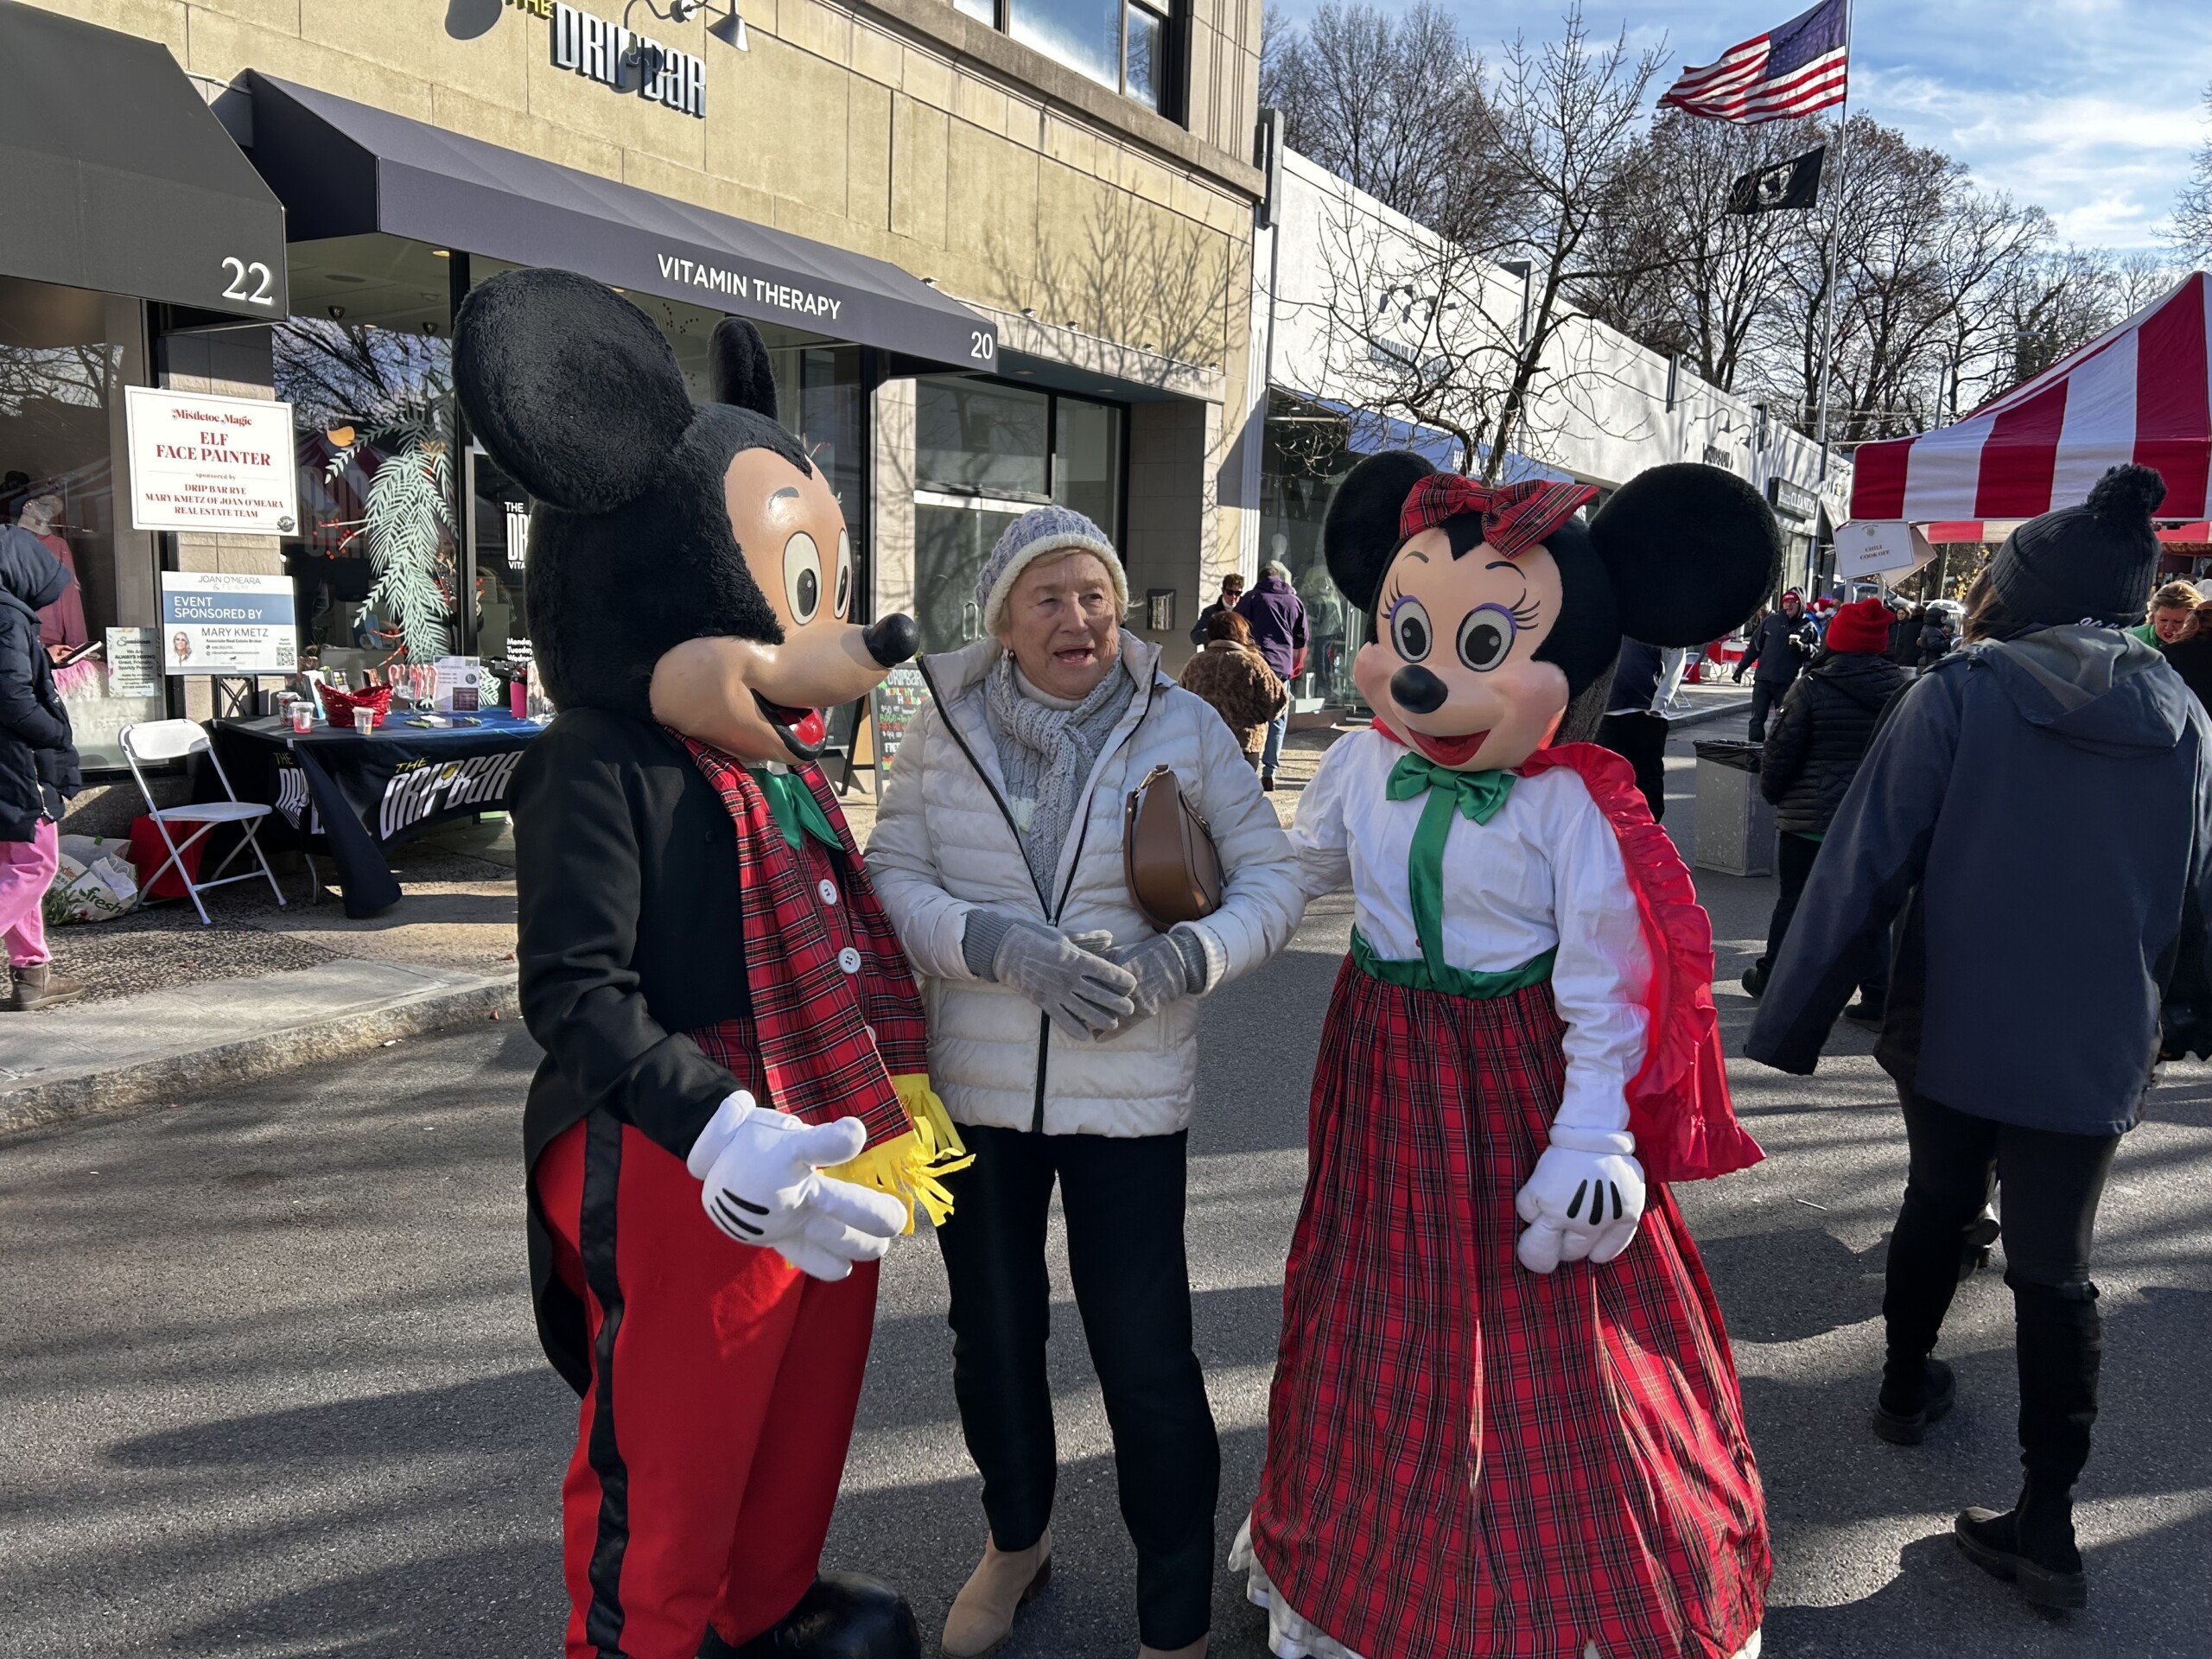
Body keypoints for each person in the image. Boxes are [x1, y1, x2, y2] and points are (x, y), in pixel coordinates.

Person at [460, 270, 943, 1659]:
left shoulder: (776, 765)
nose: (829, 647)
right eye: (788, 604)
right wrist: (719, 1128)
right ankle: (647, 1641)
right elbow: (575, 996)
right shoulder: (595, 760)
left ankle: (766, 1603)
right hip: (678, 1140)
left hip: (819, 1112)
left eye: (823, 602)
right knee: (675, 1439)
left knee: (806, 1401)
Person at [1233, 457, 1774, 1659]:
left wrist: (1592, 1132)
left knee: (1549, 1323)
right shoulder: (1364, 764)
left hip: (1516, 1076)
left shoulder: (1571, 805)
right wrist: (1205, 912)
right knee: (1377, 1292)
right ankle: (1378, 1551)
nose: (1426, 672)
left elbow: (1603, 982)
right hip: (1381, 1057)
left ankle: (1568, 1579)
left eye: (1483, 642)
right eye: (1412, 632)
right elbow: (1299, 872)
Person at [1746, 465, 2209, 1613]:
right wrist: (2187, 1013)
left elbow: (1866, 857)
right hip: (2100, 1036)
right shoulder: (2185, 717)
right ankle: (2046, 1527)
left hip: (1953, 1012)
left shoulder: (1964, 689)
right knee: (2058, 1270)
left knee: (1937, 1200)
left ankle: (1904, 1389)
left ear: (2025, 587)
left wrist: (1793, 1017)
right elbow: (2200, 886)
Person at [866, 505, 1303, 1659]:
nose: (1080, 618)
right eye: (1049, 597)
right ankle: (1016, 1541)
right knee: (992, 1336)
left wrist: (1183, 959)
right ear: (1003, 619)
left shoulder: (1185, 725)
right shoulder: (939, 723)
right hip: (975, 1086)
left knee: (1145, 1348)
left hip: (1131, 1091)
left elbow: (1273, 879)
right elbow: (891, 876)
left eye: (1096, 594)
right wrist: (993, 946)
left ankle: (1172, 1608)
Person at [1742, 596, 1905, 1019]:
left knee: (1794, 901)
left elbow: (1781, 751)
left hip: (1808, 820)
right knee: (1867, 908)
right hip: (1871, 822)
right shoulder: (1906, 691)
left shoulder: (1812, 687)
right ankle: (1877, 994)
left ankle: (1774, 978)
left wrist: (1774, 793)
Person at [0, 525, 83, 1010]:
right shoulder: (8, 616)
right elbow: (11, 699)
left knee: (12, 861)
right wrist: (56, 734)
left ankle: (33, 973)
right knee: (35, 862)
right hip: (17, 759)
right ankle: (33, 973)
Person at [1178, 607, 1286, 767]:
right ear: (1241, 632)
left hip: (1202, 743)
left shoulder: (1195, 663)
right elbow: (1276, 704)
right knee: (1242, 790)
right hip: (1244, 745)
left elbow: (1181, 700)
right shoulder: (1253, 664)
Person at [1235, 559, 1308, 790]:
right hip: (1281, 667)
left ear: (1260, 579)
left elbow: (1235, 625)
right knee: (1278, 718)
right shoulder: (1294, 601)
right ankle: (1270, 771)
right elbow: (1301, 637)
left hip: (1255, 663)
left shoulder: (1252, 598)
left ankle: (1246, 768)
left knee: (1249, 715)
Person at [1594, 636, 1672, 820]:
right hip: (1607, 713)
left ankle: (1650, 832)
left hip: (1646, 712)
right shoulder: (1607, 616)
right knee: (1605, 780)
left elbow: (1676, 656)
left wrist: (1660, 702)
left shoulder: (1654, 619)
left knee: (1647, 780)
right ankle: (1612, 833)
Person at [1735, 586, 1818, 741]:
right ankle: (1754, 755)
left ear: (1801, 604)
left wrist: (1803, 646)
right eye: (1786, 601)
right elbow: (1754, 648)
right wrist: (1740, 669)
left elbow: (1817, 655)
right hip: (1763, 680)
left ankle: (1776, 756)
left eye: (1793, 601)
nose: (1789, 605)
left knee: (1784, 723)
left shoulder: (1808, 627)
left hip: (1787, 683)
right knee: (1756, 720)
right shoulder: (1771, 621)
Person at [17, 495, 85, 660]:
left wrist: (78, 643)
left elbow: (69, 594)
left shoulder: (58, 545)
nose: (48, 513)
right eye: (43, 507)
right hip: (15, 631)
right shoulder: (8, 542)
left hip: (49, 636)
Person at [2127, 579, 2201, 646]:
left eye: (2178, 622)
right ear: (2153, 616)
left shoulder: (2201, 643)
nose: (2169, 627)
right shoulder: (2132, 639)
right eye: (2163, 620)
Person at [1187, 570, 1244, 646]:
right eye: (1230, 592)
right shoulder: (1211, 612)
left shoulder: (1246, 610)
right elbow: (1195, 636)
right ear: (1223, 591)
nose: (1233, 597)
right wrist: (1216, 633)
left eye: (1237, 593)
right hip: (1216, 655)